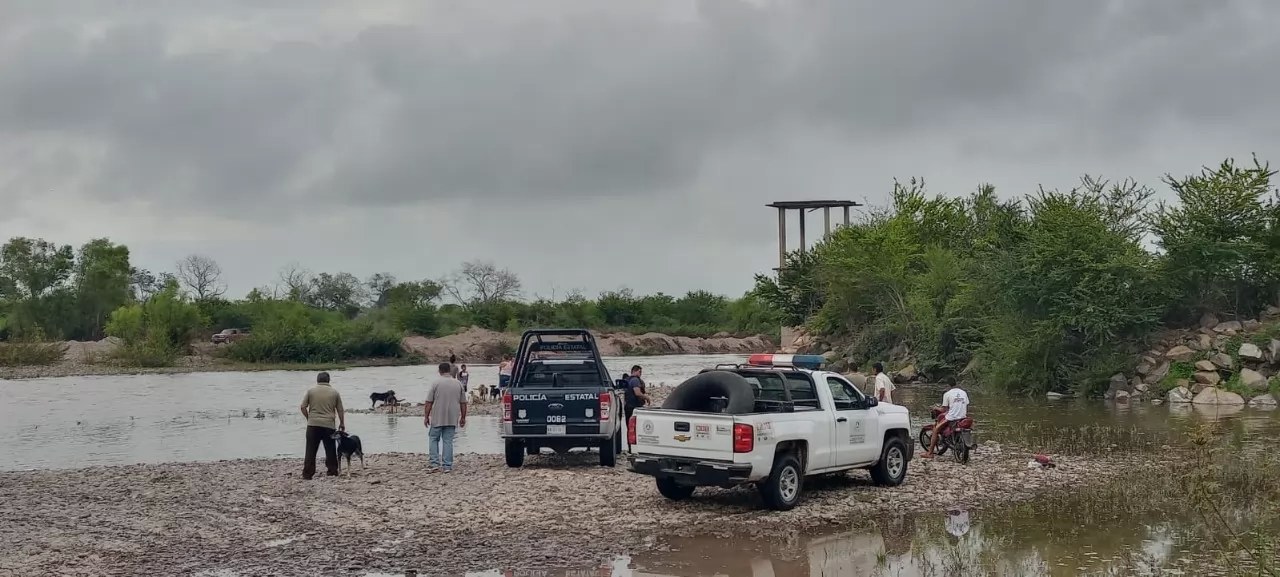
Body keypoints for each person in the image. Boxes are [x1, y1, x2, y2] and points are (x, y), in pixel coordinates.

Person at [299, 371, 345, 479]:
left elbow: (302, 407)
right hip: (329, 425)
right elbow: (340, 409)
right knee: (330, 449)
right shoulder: (335, 392)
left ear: (317, 380)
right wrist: (342, 423)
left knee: (310, 449)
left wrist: (308, 418)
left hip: (313, 424)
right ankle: (332, 471)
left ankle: (307, 473)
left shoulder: (311, 391)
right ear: (328, 380)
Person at [424, 362, 468, 472]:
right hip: (452, 417)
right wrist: (463, 417)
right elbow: (463, 403)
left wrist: (426, 416)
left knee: (433, 438)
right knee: (448, 441)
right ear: (450, 370)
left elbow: (429, 402)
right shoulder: (458, 384)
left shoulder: (436, 383)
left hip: (438, 416)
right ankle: (447, 465)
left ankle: (434, 463)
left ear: (439, 371)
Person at [924, 383, 969, 458]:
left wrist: (935, 408)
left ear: (948, 385)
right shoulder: (963, 392)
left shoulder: (947, 394)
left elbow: (943, 409)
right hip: (963, 417)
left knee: (936, 430)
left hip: (952, 418)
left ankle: (930, 453)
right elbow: (966, 404)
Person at [623, 365, 650, 452]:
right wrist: (646, 397)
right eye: (640, 372)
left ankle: (630, 448)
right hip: (634, 407)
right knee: (636, 428)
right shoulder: (635, 380)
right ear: (635, 371)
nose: (640, 374)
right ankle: (635, 448)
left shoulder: (628, 380)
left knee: (629, 427)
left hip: (628, 406)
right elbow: (637, 392)